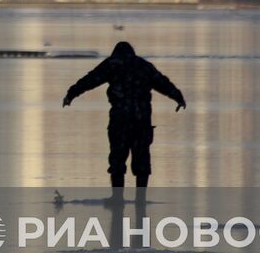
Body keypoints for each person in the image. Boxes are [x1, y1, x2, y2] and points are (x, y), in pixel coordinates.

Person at [62, 41, 186, 188]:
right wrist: (178, 97)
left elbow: (90, 80)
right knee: (142, 161)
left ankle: (117, 199)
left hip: (120, 120)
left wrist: (71, 94)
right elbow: (163, 83)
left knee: (117, 160)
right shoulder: (144, 66)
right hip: (142, 120)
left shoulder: (112, 64)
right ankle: (141, 200)